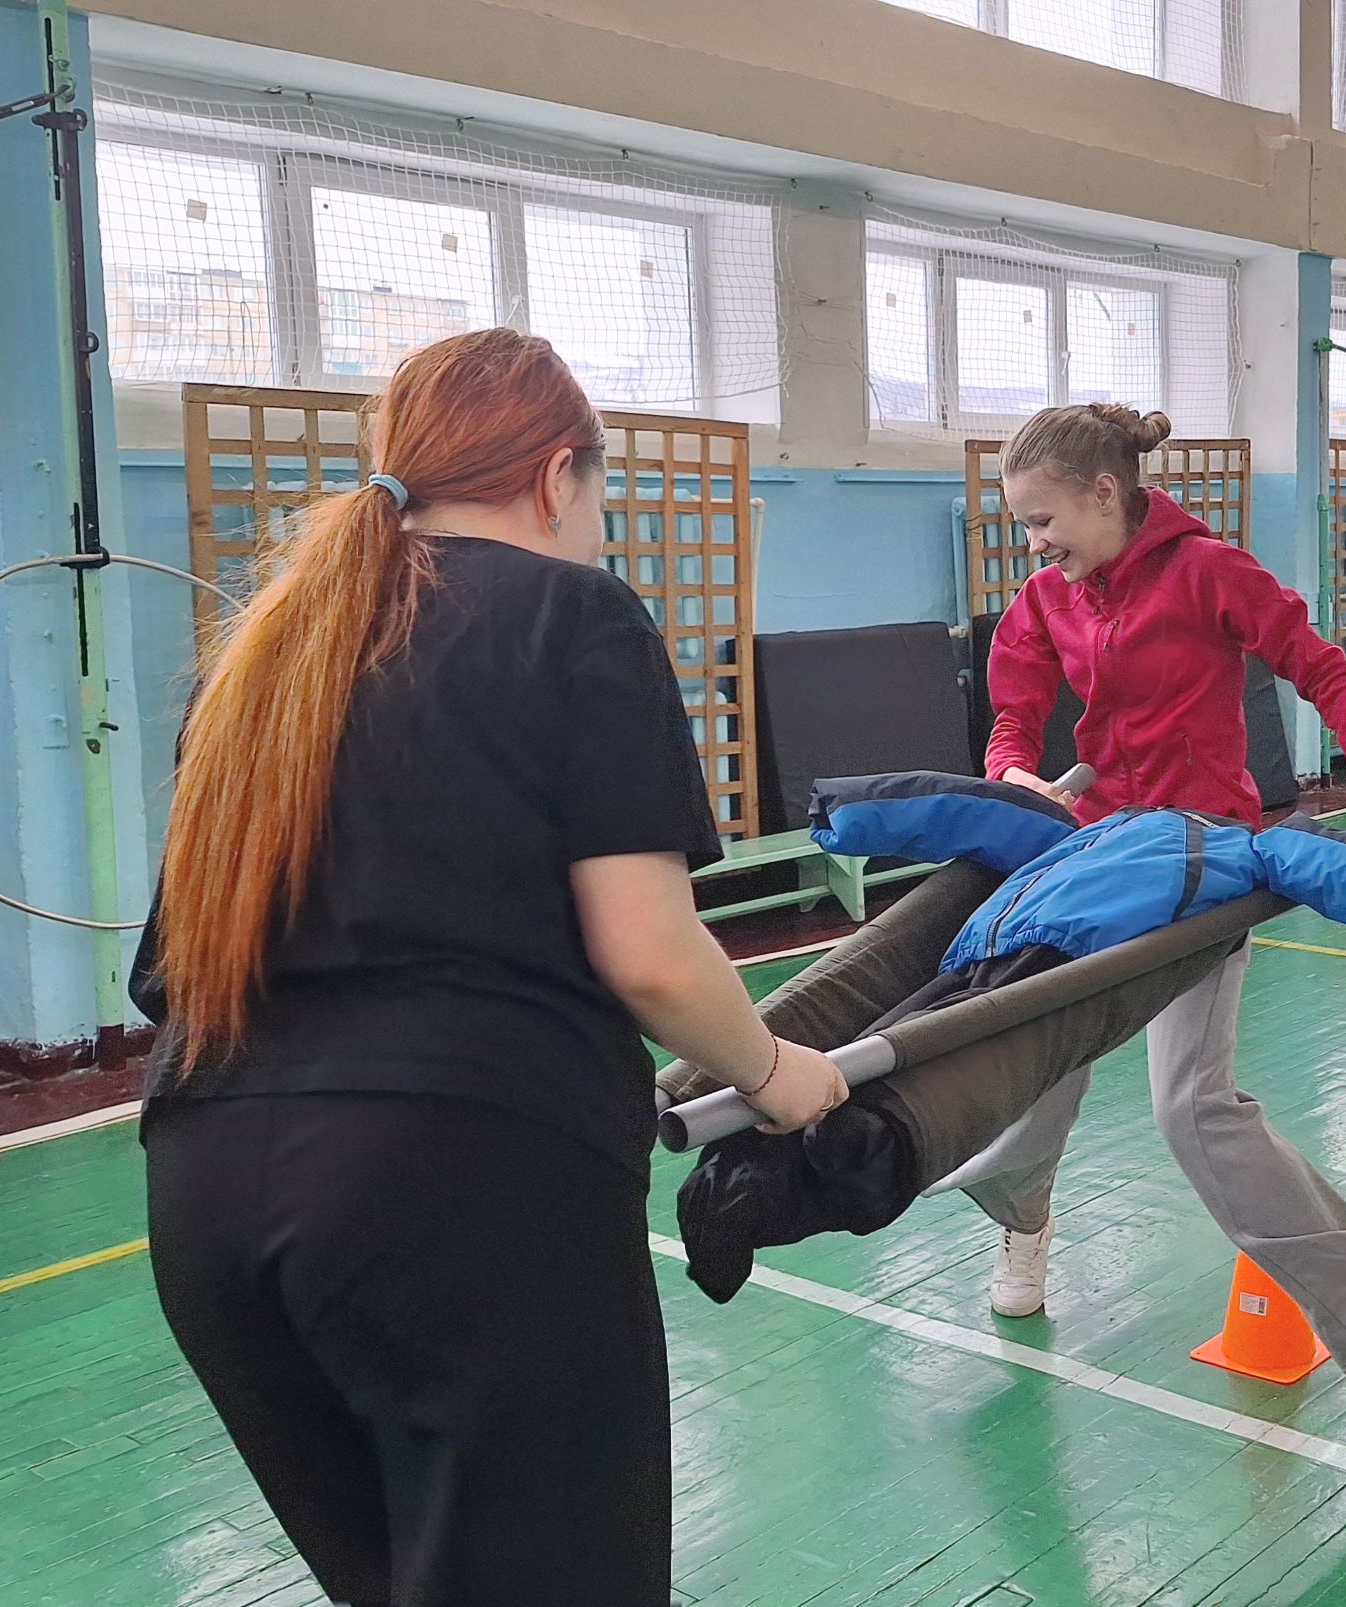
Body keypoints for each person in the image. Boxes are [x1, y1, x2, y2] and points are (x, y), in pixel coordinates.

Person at [130, 329, 846, 1607]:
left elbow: (172, 965)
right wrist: (775, 1069)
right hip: (459, 1197)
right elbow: (650, 952)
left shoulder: (261, 651)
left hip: (207, 1194)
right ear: (558, 475)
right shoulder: (577, 614)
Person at [969, 401, 1346, 1478]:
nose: (1033, 543)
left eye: (1044, 520)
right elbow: (1012, 718)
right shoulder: (1046, 599)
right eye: (1023, 525)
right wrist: (1013, 772)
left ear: (1105, 493)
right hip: (1098, 860)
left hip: (1201, 862)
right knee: (1035, 1053)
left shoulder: (1210, 574)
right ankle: (1022, 1218)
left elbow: (1323, 671)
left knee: (1191, 1108)